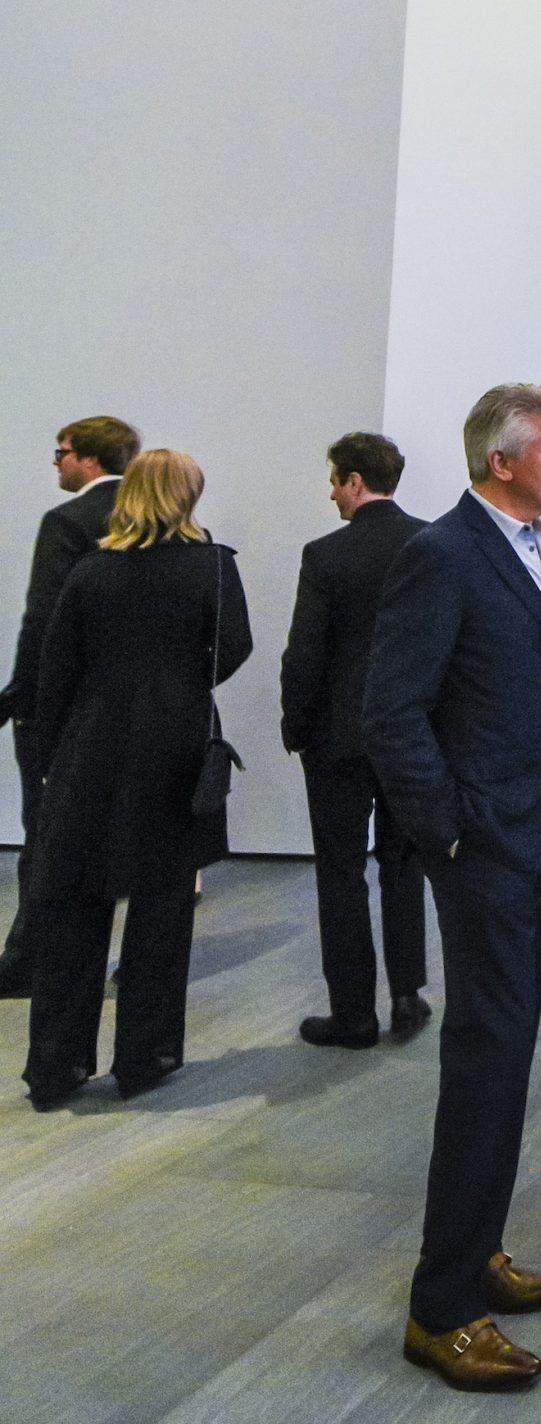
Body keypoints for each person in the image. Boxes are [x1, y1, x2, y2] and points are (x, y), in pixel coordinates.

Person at [362, 384, 541, 1392]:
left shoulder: (533, 546)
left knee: (505, 1055)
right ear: (501, 459)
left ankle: (478, 1252)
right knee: (484, 1060)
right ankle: (442, 1305)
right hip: (486, 849)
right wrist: (448, 830)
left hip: (538, 833)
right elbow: (390, 710)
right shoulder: (443, 553)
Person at [23, 450, 250, 1109]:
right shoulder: (212, 566)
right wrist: (182, 684)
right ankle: (145, 1058)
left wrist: (49, 760)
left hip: (89, 754)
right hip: (176, 752)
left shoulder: (93, 571)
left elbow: (55, 669)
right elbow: (232, 646)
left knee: (72, 910)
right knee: (163, 911)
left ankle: (56, 1068)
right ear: (187, 496)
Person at [278, 431, 430, 1048]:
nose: (332, 493)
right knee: (404, 862)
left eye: (335, 480)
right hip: (411, 735)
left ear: (355, 482)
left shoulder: (325, 555)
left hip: (338, 740)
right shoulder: (431, 544)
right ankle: (406, 995)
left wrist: (296, 725)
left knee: (340, 872)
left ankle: (353, 1015)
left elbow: (304, 654)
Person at [0, 413, 141, 998]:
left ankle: (28, 961)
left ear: (88, 458)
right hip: (131, 706)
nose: (56, 463)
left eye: (60, 453)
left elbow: (46, 620)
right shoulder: (153, 520)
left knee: (46, 834)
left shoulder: (66, 521)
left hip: (65, 707)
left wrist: (19, 697)